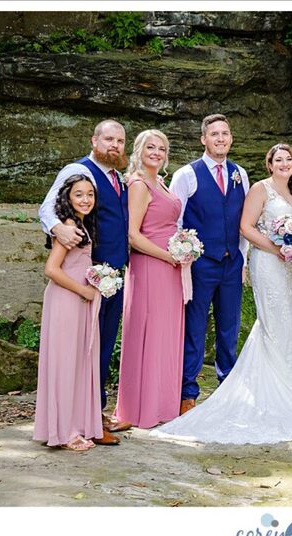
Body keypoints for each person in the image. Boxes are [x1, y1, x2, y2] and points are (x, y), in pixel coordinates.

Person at [151, 144, 292, 444]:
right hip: (269, 264)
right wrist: (278, 249)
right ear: (269, 164)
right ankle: (266, 394)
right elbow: (245, 227)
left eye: (289, 159)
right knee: (272, 324)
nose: (284, 163)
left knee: (289, 326)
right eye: (278, 160)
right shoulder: (260, 189)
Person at [38, 120, 132, 445]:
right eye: (108, 139)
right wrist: (57, 230)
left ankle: (93, 413)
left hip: (114, 275)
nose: (114, 145)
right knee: (87, 350)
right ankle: (89, 419)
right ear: (94, 140)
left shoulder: (118, 178)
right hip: (89, 276)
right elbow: (47, 207)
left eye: (120, 140)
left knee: (102, 348)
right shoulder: (78, 170)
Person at [168, 114, 250, 416]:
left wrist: (242, 258)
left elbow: (243, 222)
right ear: (203, 139)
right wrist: (184, 259)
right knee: (195, 328)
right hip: (200, 265)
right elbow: (174, 221)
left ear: (230, 138)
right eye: (214, 134)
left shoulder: (240, 173)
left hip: (231, 263)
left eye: (225, 133)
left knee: (229, 329)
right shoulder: (187, 175)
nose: (220, 139)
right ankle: (187, 391)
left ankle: (227, 386)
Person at [112, 130, 184, 428]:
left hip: (170, 267)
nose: (157, 152)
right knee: (148, 332)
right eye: (151, 147)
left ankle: (163, 405)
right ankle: (139, 409)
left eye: (162, 148)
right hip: (150, 267)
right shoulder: (140, 185)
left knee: (165, 335)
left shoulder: (161, 183)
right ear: (139, 150)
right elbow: (132, 235)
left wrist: (181, 247)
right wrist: (167, 256)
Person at [33, 174, 103, 451]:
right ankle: (64, 432)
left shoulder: (83, 224)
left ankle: (72, 425)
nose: (85, 199)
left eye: (90, 194)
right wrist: (84, 290)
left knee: (76, 363)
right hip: (66, 299)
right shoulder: (70, 225)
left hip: (78, 300)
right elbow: (51, 269)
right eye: (79, 194)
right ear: (68, 198)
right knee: (65, 363)